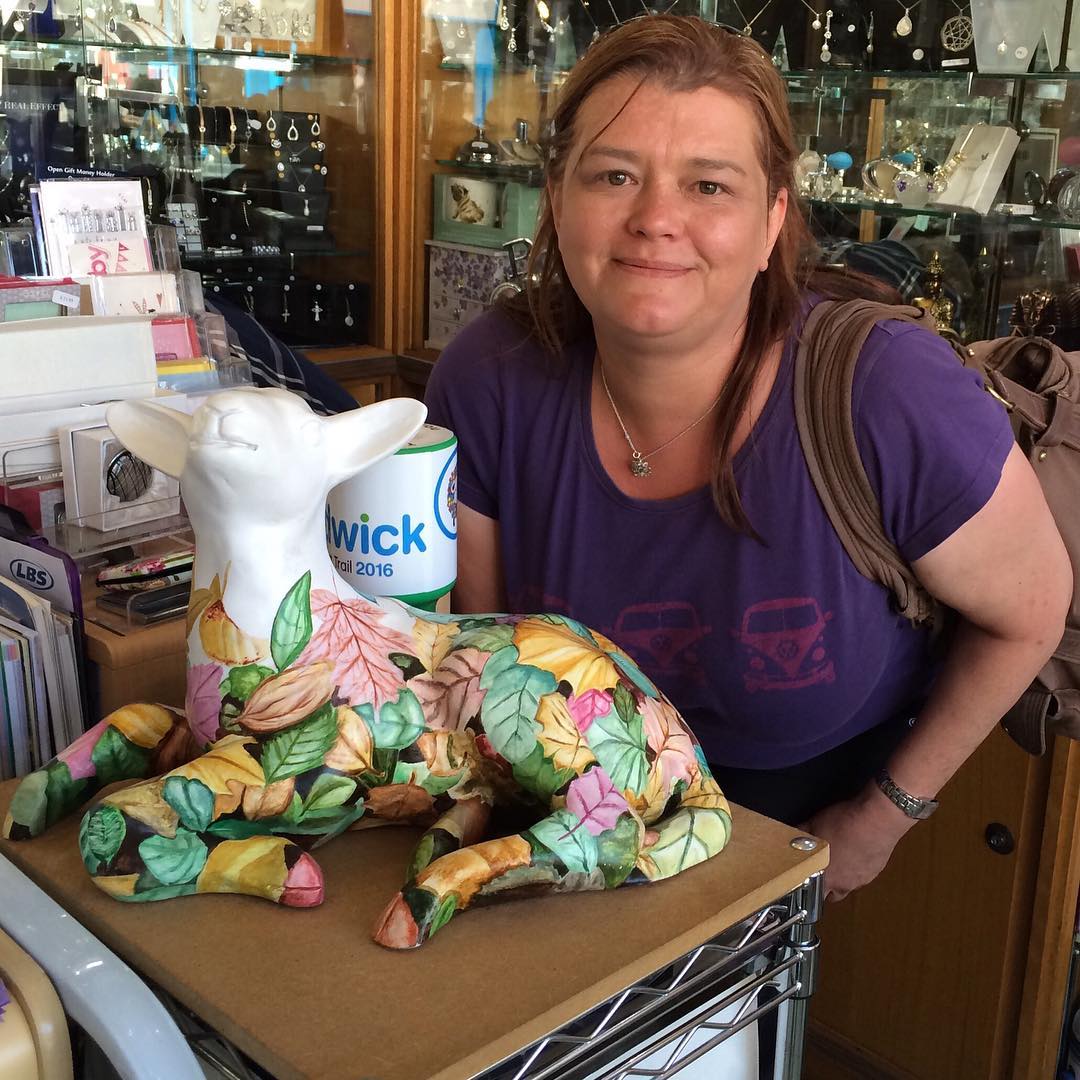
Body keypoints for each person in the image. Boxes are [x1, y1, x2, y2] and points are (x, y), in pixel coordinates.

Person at [423, 15, 1071, 903]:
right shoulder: (491, 374)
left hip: (792, 824)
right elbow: (483, 659)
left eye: (710, 187)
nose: (656, 220)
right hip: (556, 820)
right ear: (557, 196)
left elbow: (1030, 612)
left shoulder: (886, 391)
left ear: (773, 221)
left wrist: (882, 819)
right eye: (615, 175)